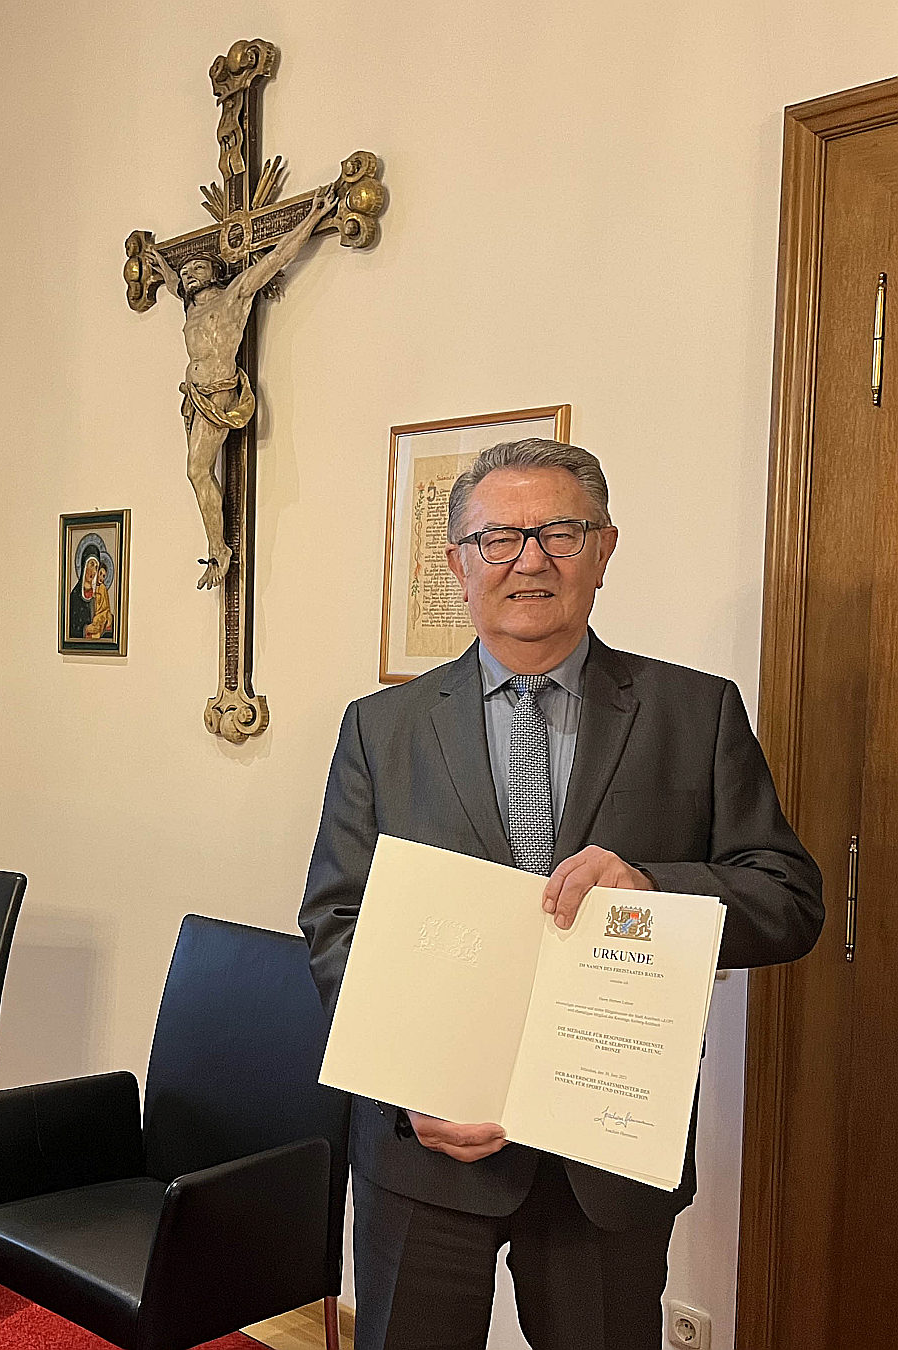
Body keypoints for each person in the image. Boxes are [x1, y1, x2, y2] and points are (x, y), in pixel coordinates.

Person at [298, 438, 823, 1350]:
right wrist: (413, 1084)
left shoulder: (696, 714)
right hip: (429, 1151)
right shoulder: (382, 729)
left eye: (560, 532)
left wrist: (654, 886)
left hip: (608, 1156)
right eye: (497, 537)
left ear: (605, 550)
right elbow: (336, 921)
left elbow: (789, 898)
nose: (530, 559)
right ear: (460, 565)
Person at [148, 183, 337, 590]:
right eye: (186, 271)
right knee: (197, 472)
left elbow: (278, 258)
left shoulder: (234, 295)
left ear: (216, 272)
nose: (188, 274)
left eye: (196, 268)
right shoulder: (191, 304)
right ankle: (217, 547)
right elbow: (169, 281)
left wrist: (313, 216)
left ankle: (219, 550)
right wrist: (159, 262)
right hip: (193, 398)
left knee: (197, 469)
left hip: (218, 392)